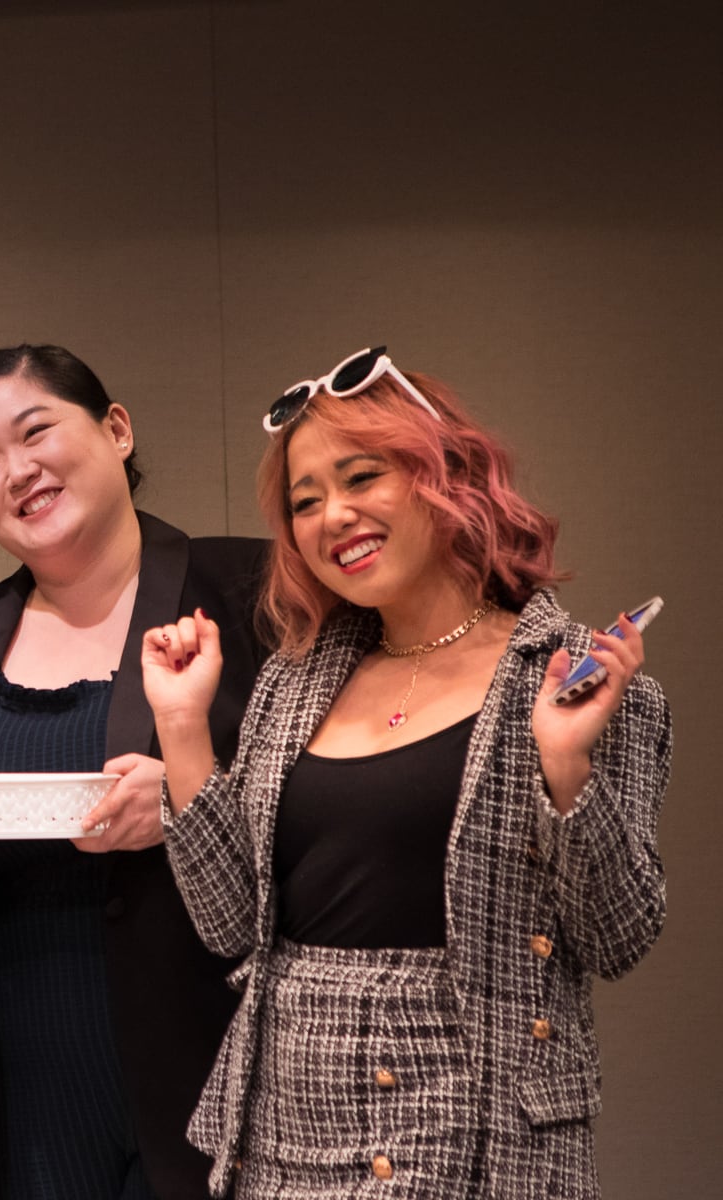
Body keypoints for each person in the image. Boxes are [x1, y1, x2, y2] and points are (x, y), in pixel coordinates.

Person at [142, 347, 671, 1198]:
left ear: (447, 479)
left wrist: (565, 764)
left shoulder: (575, 678)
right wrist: (181, 725)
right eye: (305, 501)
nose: (332, 517)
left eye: (361, 479)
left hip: (481, 1123)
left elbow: (618, 937)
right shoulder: (292, 681)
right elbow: (229, 925)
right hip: (288, 1124)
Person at [0, 345, 269, 1200]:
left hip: (216, 1073)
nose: (17, 472)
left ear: (116, 430)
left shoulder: (250, 590)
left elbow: (339, 818)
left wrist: (189, 805)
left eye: (35, 432)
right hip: (18, 1093)